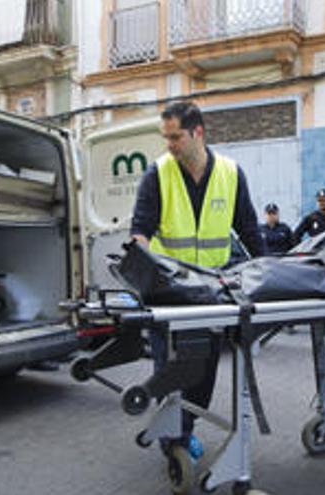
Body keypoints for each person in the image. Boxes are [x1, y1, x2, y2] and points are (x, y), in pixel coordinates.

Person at [130, 101, 264, 461]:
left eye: (175, 137)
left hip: (210, 291)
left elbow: (249, 229)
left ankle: (185, 428)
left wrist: (269, 269)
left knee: (203, 369)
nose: (169, 145)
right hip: (168, 292)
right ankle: (173, 440)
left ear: (198, 133)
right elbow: (140, 231)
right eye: (166, 137)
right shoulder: (157, 174)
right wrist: (142, 271)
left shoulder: (231, 173)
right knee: (170, 369)